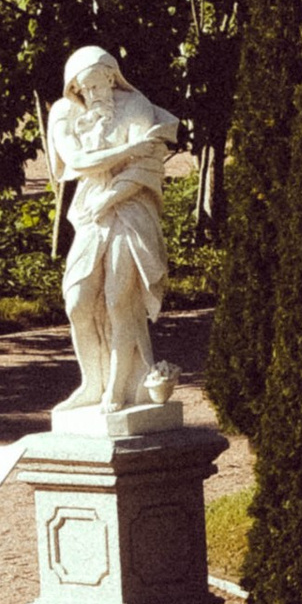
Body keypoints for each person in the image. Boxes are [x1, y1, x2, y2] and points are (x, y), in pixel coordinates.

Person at [46, 43, 179, 417]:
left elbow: (146, 166)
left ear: (110, 74)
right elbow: (77, 161)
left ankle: (118, 388)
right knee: (77, 301)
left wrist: (113, 194)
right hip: (91, 209)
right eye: (81, 90)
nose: (90, 95)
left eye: (95, 85)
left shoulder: (137, 105)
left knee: (120, 298)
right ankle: (92, 382)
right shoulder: (69, 113)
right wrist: (130, 149)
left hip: (129, 208)